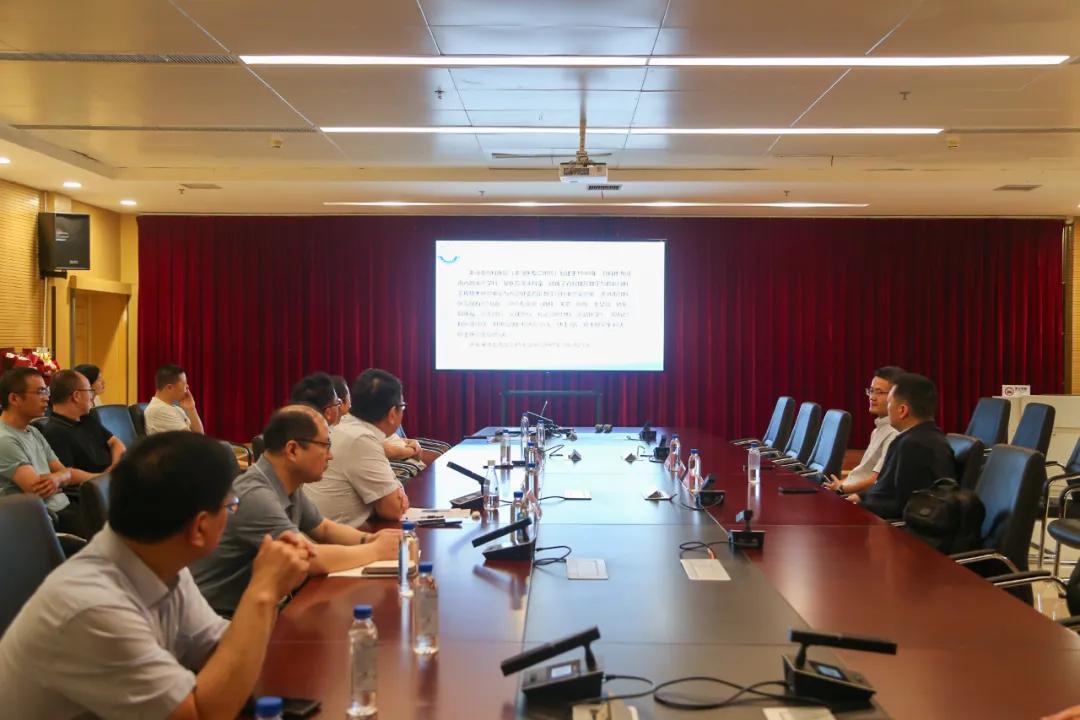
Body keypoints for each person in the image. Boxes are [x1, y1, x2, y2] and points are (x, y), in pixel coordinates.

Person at [0, 431, 312, 719]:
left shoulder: (161, 559)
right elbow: (200, 715)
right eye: (231, 506)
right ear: (200, 528)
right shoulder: (93, 608)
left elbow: (217, 649)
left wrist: (268, 595)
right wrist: (263, 592)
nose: (232, 514)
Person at [192, 405, 400, 615]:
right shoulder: (255, 495)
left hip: (257, 609)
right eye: (325, 446)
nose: (330, 456)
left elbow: (324, 528)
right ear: (292, 450)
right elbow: (307, 559)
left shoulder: (287, 483)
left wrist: (370, 539)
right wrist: (375, 550)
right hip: (223, 619)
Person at [305, 368, 410, 527]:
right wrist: (388, 500)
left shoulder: (347, 426)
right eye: (402, 407)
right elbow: (394, 509)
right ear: (392, 414)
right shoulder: (361, 440)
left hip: (330, 530)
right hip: (329, 538)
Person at [853, 372, 957, 518]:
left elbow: (903, 505)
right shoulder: (926, 436)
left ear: (902, 410)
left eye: (889, 403)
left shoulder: (913, 445)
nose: (888, 408)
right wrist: (860, 497)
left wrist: (859, 506)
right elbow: (886, 487)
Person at [0, 367, 81, 533]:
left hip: (65, 507)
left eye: (46, 391)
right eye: (40, 392)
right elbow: (38, 489)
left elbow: (65, 471)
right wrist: (61, 477)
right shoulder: (4, 439)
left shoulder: (33, 431)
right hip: (44, 519)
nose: (46, 398)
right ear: (14, 398)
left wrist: (57, 478)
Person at [823, 366, 903, 496]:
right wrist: (837, 486)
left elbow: (876, 480)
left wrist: (841, 489)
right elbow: (860, 474)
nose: (872, 397)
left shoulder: (893, 433)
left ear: (896, 396)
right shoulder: (877, 430)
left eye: (879, 392)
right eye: (871, 391)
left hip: (856, 496)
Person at [40, 369, 124, 482]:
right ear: (77, 396)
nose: (92, 396)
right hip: (95, 486)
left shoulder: (86, 418)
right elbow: (67, 475)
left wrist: (115, 467)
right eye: (90, 391)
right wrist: (106, 478)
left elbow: (115, 442)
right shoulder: (54, 432)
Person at [145, 364, 205, 435]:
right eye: (184, 383)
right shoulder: (158, 410)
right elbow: (192, 439)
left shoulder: (176, 408)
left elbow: (200, 434)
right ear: (169, 388)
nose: (187, 386)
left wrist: (191, 409)